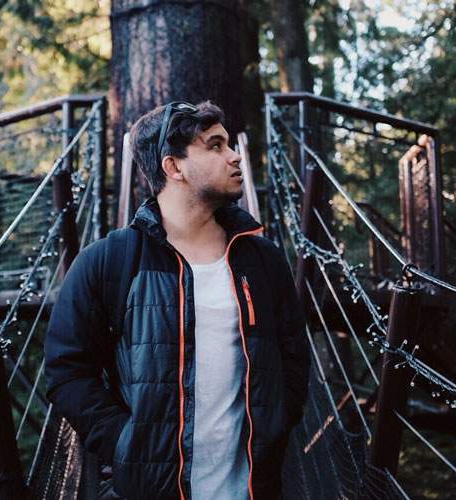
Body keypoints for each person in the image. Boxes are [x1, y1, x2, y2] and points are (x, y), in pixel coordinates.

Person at [45, 101, 310, 500]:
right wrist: (125, 441)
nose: (235, 155)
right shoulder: (110, 261)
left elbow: (293, 356)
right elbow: (67, 370)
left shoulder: (264, 260)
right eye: (216, 146)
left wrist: (277, 421)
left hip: (253, 489)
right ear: (174, 167)